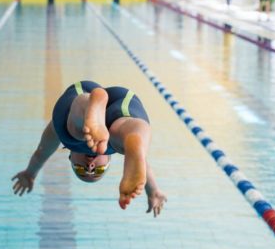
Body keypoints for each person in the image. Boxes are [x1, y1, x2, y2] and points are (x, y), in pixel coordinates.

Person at [12, 81, 167, 216]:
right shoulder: (113, 144)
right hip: (119, 110)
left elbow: (41, 153)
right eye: (98, 170)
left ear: (71, 157)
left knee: (71, 131)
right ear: (108, 159)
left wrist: (30, 173)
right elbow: (142, 164)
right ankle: (133, 137)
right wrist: (152, 190)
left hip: (84, 95)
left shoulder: (61, 137)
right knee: (122, 134)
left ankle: (89, 106)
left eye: (80, 169)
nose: (90, 166)